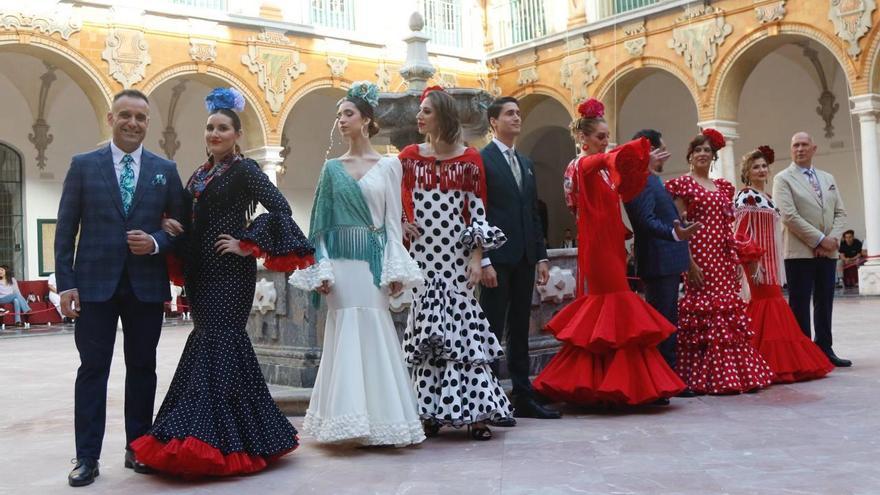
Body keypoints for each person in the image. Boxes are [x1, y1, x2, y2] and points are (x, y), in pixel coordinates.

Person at [130, 87, 315, 475]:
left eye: (223, 129)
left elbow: (279, 207)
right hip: (200, 272)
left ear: (236, 135)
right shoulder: (200, 174)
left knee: (220, 342)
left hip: (230, 273)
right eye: (210, 128)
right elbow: (185, 214)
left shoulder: (245, 170)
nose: (214, 134)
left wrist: (249, 243)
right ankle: (232, 435)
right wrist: (170, 222)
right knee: (212, 345)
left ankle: (210, 439)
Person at [55, 89, 185, 486]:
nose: (133, 123)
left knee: (142, 369)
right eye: (125, 115)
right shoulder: (83, 165)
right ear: (111, 119)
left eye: (141, 118)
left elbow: (181, 228)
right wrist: (66, 284)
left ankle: (138, 448)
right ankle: (86, 458)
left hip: (145, 284)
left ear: (149, 123)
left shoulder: (166, 169)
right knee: (93, 370)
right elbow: (66, 228)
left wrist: (158, 242)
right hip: (93, 285)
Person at [289, 82, 425, 447]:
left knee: (376, 330)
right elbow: (319, 225)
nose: (341, 120)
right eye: (339, 115)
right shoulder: (331, 169)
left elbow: (393, 223)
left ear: (366, 119)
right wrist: (323, 268)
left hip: (374, 264)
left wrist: (396, 268)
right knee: (344, 330)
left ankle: (385, 423)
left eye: (347, 113)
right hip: (342, 267)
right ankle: (347, 424)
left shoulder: (391, 166)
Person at [532, 99, 685, 406]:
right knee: (614, 306)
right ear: (583, 139)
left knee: (618, 312)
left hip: (612, 244)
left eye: (606, 136)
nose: (605, 142)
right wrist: (638, 153)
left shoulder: (601, 168)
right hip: (597, 246)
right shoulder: (580, 165)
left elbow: (622, 179)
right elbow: (606, 161)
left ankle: (622, 384)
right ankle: (613, 384)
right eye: (600, 137)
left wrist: (643, 163)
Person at [399, 86, 512, 440]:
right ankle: (430, 412)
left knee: (463, 333)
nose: (420, 117)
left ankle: (478, 413)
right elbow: (395, 200)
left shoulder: (470, 159)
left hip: (455, 257)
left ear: (444, 116)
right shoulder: (409, 156)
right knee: (428, 335)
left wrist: (479, 258)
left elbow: (477, 212)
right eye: (420, 111)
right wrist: (402, 221)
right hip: (422, 258)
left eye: (427, 111)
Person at [665, 130, 774, 395]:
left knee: (728, 313)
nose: (703, 154)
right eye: (698, 150)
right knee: (704, 313)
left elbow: (728, 227)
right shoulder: (683, 184)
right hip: (699, 258)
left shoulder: (723, 187)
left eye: (707, 151)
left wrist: (735, 259)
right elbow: (678, 227)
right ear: (690, 155)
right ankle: (704, 376)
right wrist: (688, 263)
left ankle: (733, 375)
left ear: (713, 157)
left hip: (723, 258)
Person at [479, 96, 559, 421]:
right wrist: (483, 259)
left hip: (525, 256)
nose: (517, 118)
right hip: (497, 259)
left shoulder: (525, 162)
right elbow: (477, 211)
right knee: (491, 327)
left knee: (520, 329)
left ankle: (523, 396)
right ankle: (489, 398)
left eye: (518, 113)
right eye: (510, 113)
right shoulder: (482, 160)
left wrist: (541, 256)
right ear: (493, 122)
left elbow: (533, 213)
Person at [734, 146, 834, 383]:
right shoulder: (746, 196)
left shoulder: (767, 197)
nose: (761, 170)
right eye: (755, 166)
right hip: (757, 263)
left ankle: (768, 362)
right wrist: (752, 260)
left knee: (773, 304)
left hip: (771, 261)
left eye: (763, 166)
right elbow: (739, 234)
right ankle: (761, 362)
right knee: (766, 305)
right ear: (747, 171)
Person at [622, 129, 700, 384]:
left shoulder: (651, 178)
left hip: (666, 260)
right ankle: (665, 379)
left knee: (669, 322)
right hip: (658, 261)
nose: (666, 154)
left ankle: (669, 378)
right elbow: (644, 221)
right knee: (663, 323)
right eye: (661, 149)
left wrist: (678, 224)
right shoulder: (640, 179)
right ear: (650, 150)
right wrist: (674, 233)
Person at [772, 132, 851, 367]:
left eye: (804, 144)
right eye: (795, 145)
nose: (800, 149)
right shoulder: (782, 178)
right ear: (791, 148)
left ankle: (825, 348)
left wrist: (831, 239)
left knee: (825, 301)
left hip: (828, 252)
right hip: (799, 253)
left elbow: (840, 212)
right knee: (800, 303)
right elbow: (788, 216)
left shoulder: (828, 177)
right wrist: (818, 240)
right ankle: (804, 354)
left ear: (814, 148)